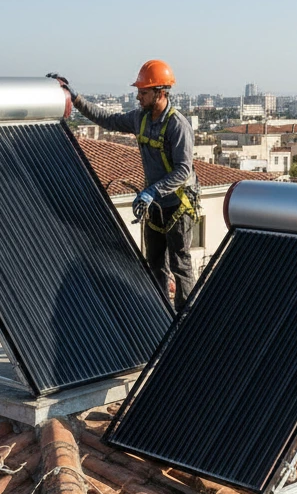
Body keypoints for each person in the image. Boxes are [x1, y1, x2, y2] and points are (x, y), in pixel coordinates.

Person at [48, 60, 200, 311]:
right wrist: (75, 99)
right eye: (139, 91)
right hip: (155, 205)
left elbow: (183, 171)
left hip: (177, 205)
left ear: (160, 93)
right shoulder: (139, 118)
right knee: (154, 263)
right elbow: (107, 119)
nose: (138, 97)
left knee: (180, 265)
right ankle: (160, 314)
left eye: (143, 92)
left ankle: (185, 320)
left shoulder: (177, 125)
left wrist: (152, 190)